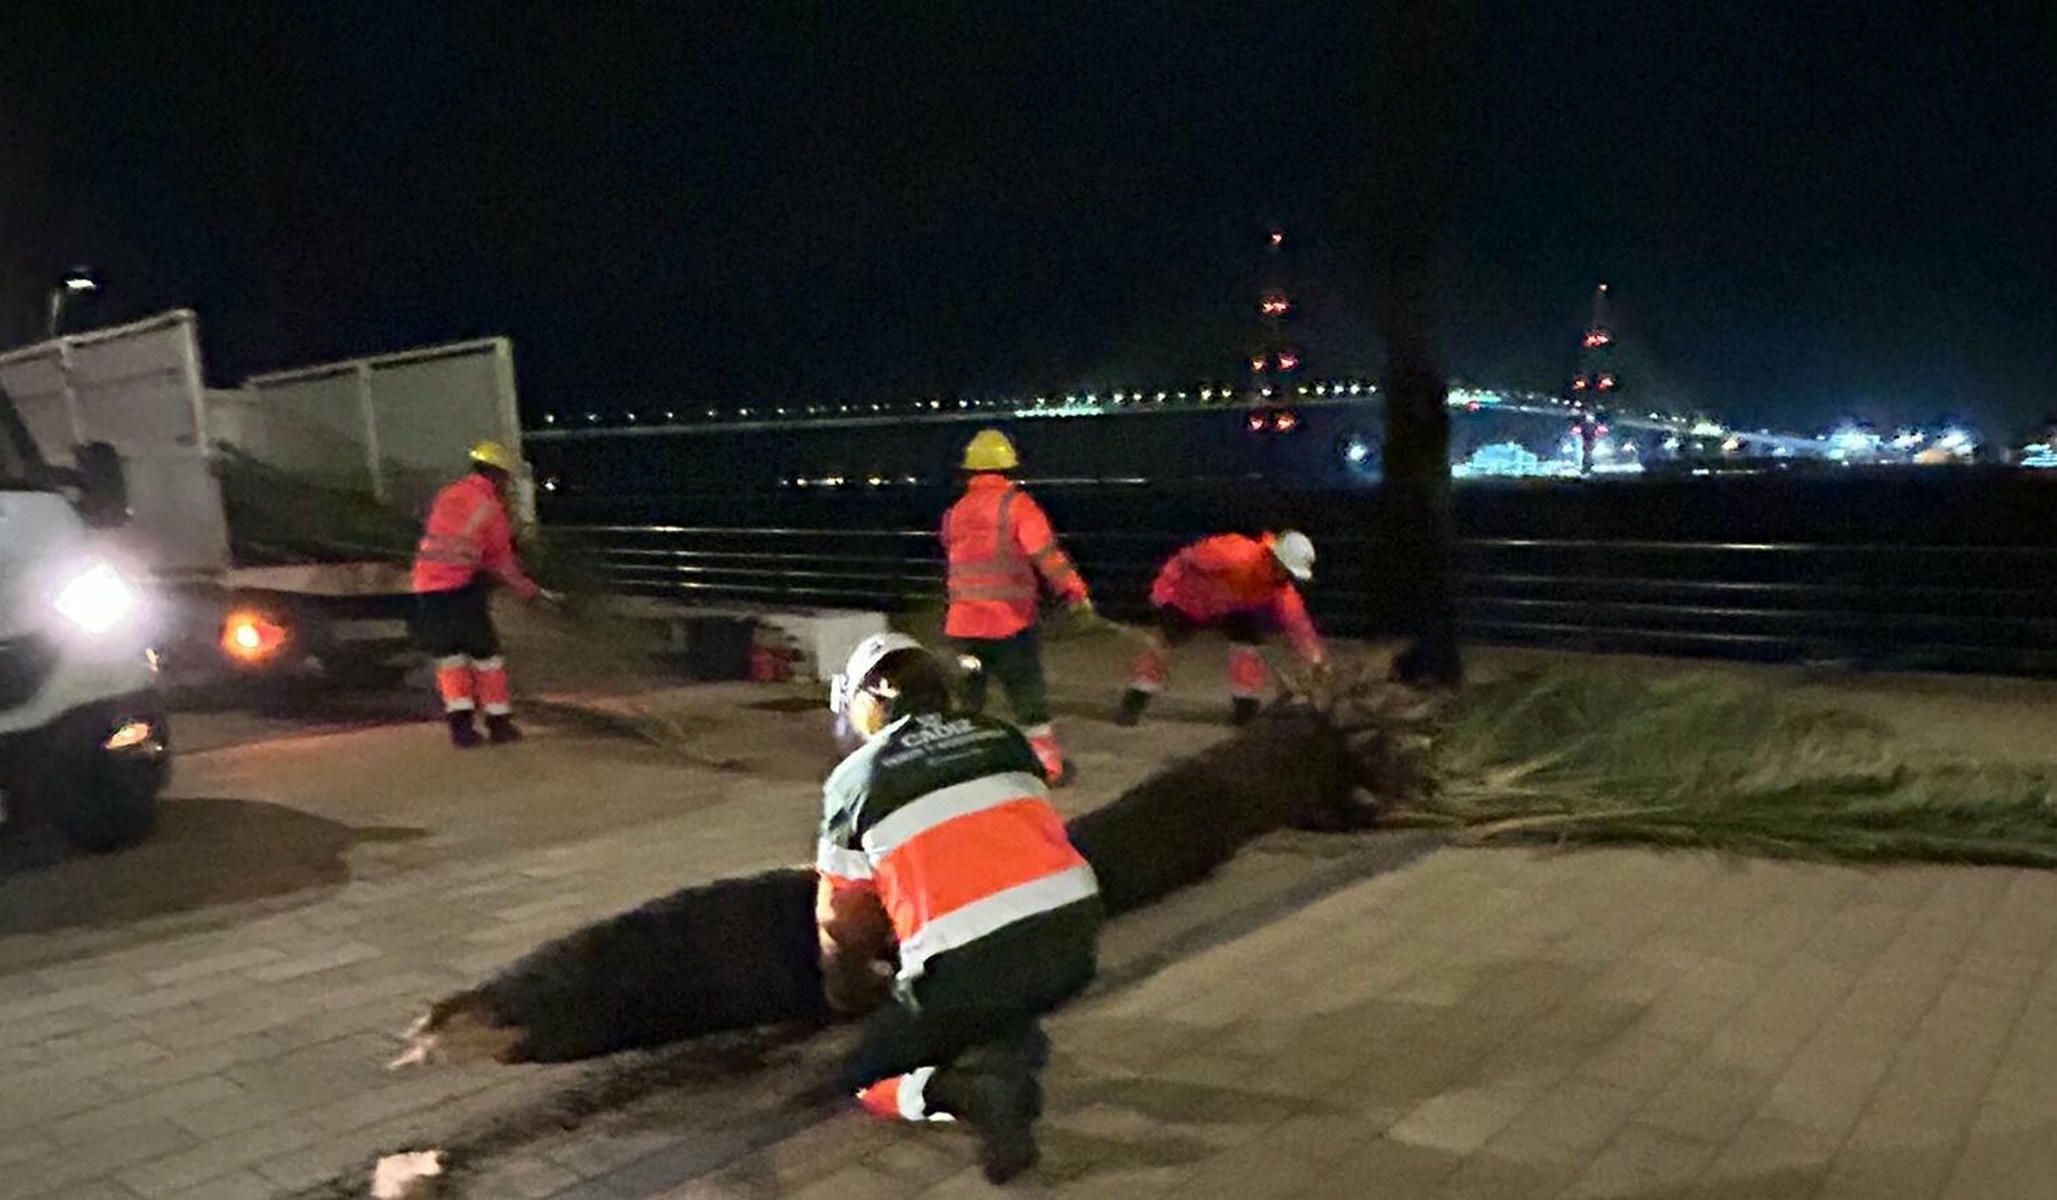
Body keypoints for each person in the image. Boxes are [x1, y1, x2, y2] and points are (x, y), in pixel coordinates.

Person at [816, 632, 1101, 1183]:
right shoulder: (1005, 738)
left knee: (864, 1077)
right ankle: (1010, 1059)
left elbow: (842, 923)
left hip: (966, 968)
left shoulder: (855, 779)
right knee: (997, 1002)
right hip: (1074, 944)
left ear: (870, 700)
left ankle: (963, 1093)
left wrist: (847, 989)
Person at [940, 428, 1093, 785]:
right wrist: (1075, 593)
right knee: (1028, 696)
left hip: (963, 628)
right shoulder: (1017, 506)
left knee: (967, 700)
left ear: (970, 471)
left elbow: (954, 554)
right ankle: (1046, 767)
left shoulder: (956, 512)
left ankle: (960, 769)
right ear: (1009, 468)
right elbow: (1047, 557)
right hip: (1009, 625)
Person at [412, 440, 560, 747]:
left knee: (450, 659)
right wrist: (531, 592)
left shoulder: (447, 494)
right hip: (459, 590)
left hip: (426, 588)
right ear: (497, 475)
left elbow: (448, 539)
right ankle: (499, 723)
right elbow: (501, 563)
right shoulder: (490, 509)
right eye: (506, 478)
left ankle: (461, 729)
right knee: (486, 658)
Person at [1113, 529, 1324, 727]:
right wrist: (1162, 590)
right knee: (1163, 647)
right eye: (1287, 571)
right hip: (1189, 600)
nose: (1288, 577)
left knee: (1247, 645)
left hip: (1232, 606)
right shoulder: (1234, 553)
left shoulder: (1279, 586)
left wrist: (1313, 656)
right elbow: (1184, 559)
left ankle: (1246, 708)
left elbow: (1297, 621)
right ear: (1275, 558)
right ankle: (1134, 702)